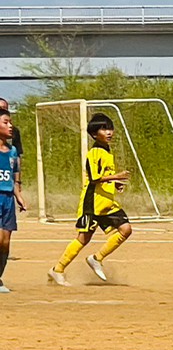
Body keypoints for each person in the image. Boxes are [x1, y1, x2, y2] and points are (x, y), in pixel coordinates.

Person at [50, 113, 131, 286]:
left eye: (110, 128)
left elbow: (105, 175)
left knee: (126, 229)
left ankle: (96, 258)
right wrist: (116, 176)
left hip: (107, 202)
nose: (108, 132)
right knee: (83, 238)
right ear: (94, 134)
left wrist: (115, 183)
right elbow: (94, 177)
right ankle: (58, 270)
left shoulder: (107, 151)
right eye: (103, 129)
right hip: (93, 202)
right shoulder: (94, 152)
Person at [0, 109, 25, 293]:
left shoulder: (12, 151)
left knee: (6, 242)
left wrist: (19, 196)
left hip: (8, 199)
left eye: (10, 123)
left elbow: (13, 176)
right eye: (6, 122)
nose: (10, 126)